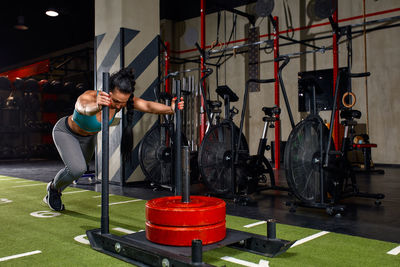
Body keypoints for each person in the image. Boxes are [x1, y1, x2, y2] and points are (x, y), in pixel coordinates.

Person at [43, 68, 183, 211]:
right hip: (66, 132)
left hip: (88, 138)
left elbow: (148, 106)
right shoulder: (89, 96)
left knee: (77, 170)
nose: (118, 106)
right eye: (115, 101)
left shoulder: (122, 102)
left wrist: (171, 109)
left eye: (123, 102)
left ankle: (56, 188)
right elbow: (83, 108)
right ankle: (53, 189)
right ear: (108, 92)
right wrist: (97, 105)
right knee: (77, 169)